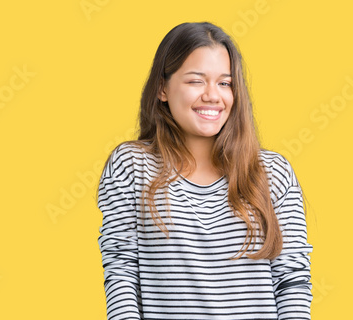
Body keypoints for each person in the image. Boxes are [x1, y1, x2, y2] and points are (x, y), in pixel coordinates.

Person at [96, 22, 312, 320]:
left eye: (225, 83)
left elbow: (292, 280)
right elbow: (121, 272)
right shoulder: (132, 166)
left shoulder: (272, 172)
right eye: (196, 81)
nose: (213, 95)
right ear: (162, 88)